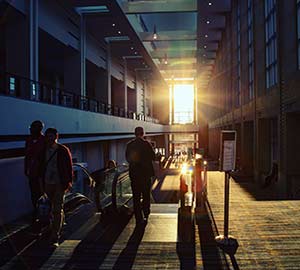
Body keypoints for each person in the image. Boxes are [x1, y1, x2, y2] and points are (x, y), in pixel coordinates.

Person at [42, 128, 73, 246]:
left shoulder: (62, 150)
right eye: (48, 136)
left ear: (56, 137)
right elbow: (41, 167)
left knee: (57, 209)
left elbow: (69, 167)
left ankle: (55, 236)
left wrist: (68, 182)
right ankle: (52, 227)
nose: (49, 138)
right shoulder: (43, 150)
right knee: (48, 209)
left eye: (51, 136)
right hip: (47, 183)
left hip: (59, 183)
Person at [125, 126, 155, 225]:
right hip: (146, 174)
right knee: (146, 195)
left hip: (134, 175)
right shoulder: (146, 144)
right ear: (143, 133)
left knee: (136, 197)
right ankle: (146, 214)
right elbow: (153, 157)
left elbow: (127, 158)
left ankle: (139, 218)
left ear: (135, 134)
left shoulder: (130, 145)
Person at [24, 120, 45, 224]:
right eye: (31, 127)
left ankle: (45, 216)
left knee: (43, 194)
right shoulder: (28, 140)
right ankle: (36, 212)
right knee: (34, 194)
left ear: (39, 129)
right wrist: (26, 169)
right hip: (32, 173)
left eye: (32, 127)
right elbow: (27, 156)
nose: (30, 129)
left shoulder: (44, 140)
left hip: (42, 173)